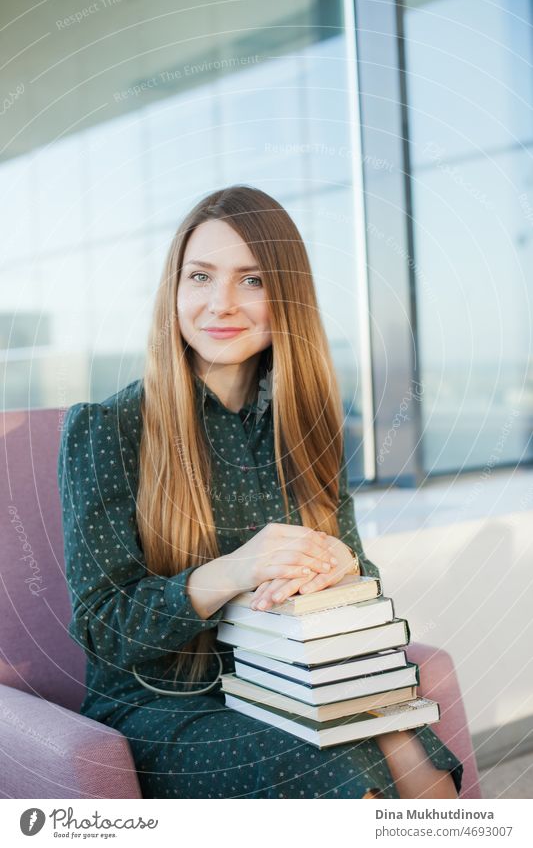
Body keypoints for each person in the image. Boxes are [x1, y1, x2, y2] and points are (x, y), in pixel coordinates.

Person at [58, 184, 463, 799]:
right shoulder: (107, 429)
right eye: (201, 276)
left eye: (252, 280)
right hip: (163, 704)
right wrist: (237, 570)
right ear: (174, 290)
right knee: (340, 775)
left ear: (286, 298)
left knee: (419, 766)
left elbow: (358, 581)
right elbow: (103, 630)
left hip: (295, 681)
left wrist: (343, 565)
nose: (222, 303)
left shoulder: (304, 427)